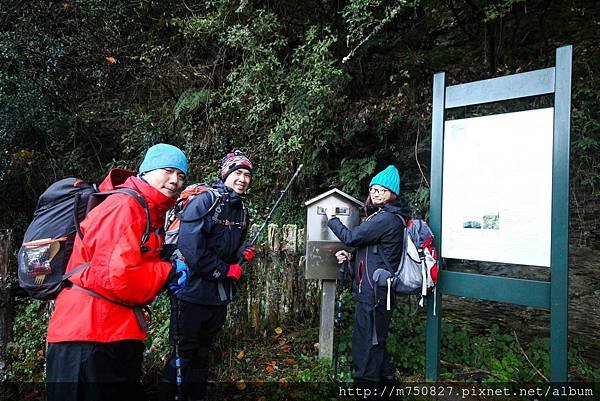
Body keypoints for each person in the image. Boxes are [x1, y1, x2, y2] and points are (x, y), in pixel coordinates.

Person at [45, 143, 188, 401]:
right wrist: (167, 271)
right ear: (146, 171)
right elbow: (116, 278)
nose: (175, 180)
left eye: (181, 176)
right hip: (89, 336)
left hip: (110, 333)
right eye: (168, 171)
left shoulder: (148, 212)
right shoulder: (124, 206)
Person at [161, 150, 256, 401]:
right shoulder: (206, 200)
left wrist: (240, 253)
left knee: (204, 352)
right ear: (225, 174)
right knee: (184, 352)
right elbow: (191, 249)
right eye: (237, 173)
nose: (243, 179)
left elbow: (226, 248)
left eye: (247, 175)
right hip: (190, 291)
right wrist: (226, 270)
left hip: (217, 296)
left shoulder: (241, 211)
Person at [325, 165, 411, 385]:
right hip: (378, 290)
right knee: (376, 342)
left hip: (373, 294)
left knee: (365, 345)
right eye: (373, 188)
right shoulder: (386, 217)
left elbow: (352, 237)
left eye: (382, 189)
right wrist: (352, 258)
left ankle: (366, 388)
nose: (375, 193)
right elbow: (376, 252)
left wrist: (332, 219)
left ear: (393, 194)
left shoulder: (386, 219)